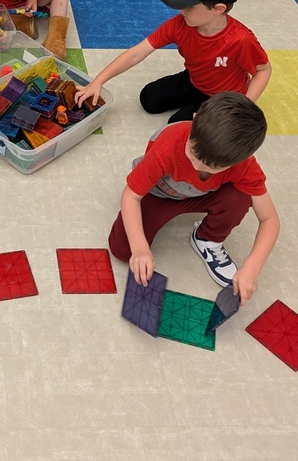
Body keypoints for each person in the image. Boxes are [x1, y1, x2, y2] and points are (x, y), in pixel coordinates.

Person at [109, 92, 280, 304]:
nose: (196, 166)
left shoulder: (244, 165)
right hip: (158, 194)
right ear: (195, 118)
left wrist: (252, 267)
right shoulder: (168, 146)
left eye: (211, 167)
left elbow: (270, 220)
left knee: (242, 196)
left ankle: (207, 238)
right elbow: (131, 196)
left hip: (203, 196)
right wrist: (139, 248)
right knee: (123, 251)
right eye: (193, 152)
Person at [74, 0, 271, 122]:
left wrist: (242, 108)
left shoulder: (241, 39)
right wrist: (98, 81)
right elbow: (136, 53)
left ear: (218, 9)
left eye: (189, 5)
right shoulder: (180, 24)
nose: (181, 10)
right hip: (193, 80)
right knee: (148, 99)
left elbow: (263, 70)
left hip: (223, 98)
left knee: (176, 125)